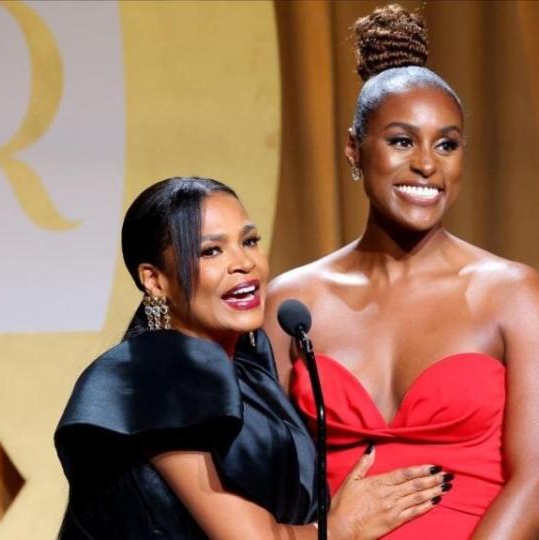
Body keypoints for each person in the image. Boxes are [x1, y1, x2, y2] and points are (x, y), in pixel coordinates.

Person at [264, 6, 539, 540]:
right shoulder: (292, 303)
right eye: (402, 141)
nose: (428, 164)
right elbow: (254, 478)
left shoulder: (511, 294)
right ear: (354, 150)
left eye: (446, 144)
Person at [55, 177, 452, 539]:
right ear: (155, 280)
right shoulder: (152, 381)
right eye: (211, 251)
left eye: (249, 241)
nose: (243, 263)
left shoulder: (249, 370)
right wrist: (344, 527)